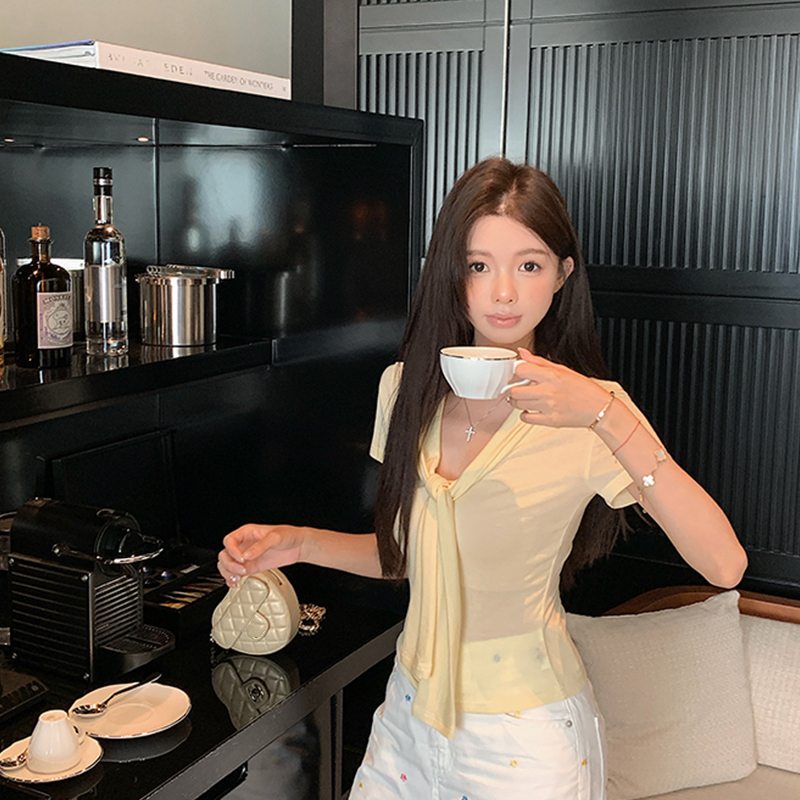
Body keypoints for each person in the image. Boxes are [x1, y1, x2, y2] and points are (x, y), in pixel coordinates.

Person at [218, 157, 747, 800]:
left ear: (563, 275)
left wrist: (606, 416)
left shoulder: (592, 410)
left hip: (527, 736)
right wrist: (297, 543)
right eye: (478, 265)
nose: (502, 293)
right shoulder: (404, 388)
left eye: (529, 265)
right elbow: (411, 556)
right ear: (451, 272)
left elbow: (724, 564)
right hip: (408, 717)